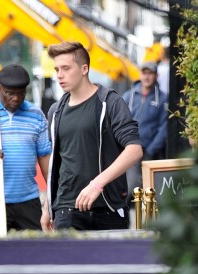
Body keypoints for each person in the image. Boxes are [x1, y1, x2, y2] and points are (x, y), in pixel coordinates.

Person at [46, 41, 143, 231]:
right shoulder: (55, 111)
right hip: (67, 209)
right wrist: (47, 207)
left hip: (108, 208)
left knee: (110, 261)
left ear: (84, 69)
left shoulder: (110, 102)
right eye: (57, 69)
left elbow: (134, 150)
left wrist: (97, 184)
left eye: (66, 68)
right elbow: (57, 162)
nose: (59, 75)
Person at [0, 64, 51, 248]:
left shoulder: (36, 115)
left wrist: (51, 200)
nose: (16, 98)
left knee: (32, 260)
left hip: (27, 201)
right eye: (10, 93)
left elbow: (45, 160)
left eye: (21, 93)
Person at [122, 61, 168, 203]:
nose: (147, 77)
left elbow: (164, 127)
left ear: (156, 75)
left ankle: (147, 222)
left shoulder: (162, 98)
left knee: (150, 191)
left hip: (150, 152)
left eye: (150, 73)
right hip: (129, 149)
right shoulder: (128, 96)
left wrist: (151, 149)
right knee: (132, 188)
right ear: (140, 74)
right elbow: (119, 122)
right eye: (144, 73)